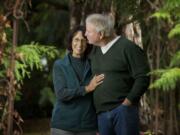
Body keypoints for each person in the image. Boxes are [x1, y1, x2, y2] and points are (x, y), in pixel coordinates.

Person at [85, 13, 150, 135]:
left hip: (123, 112)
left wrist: (127, 103)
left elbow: (143, 77)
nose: (85, 34)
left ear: (101, 34)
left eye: (89, 31)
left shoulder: (127, 48)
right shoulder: (95, 52)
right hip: (102, 115)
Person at [51, 25, 104, 135]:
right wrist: (87, 89)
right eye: (76, 39)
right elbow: (61, 93)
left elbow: (99, 95)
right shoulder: (60, 65)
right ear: (71, 41)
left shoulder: (94, 65)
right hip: (63, 125)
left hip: (88, 126)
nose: (79, 44)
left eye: (83, 40)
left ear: (88, 43)